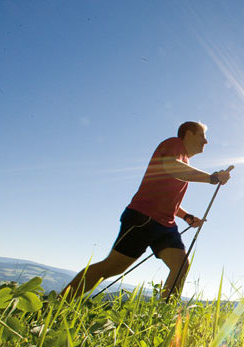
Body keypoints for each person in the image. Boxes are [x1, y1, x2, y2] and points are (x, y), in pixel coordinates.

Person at [61, 121, 232, 300]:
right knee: (113, 267)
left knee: (180, 266)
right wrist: (212, 178)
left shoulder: (185, 162)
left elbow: (167, 196)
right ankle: (58, 303)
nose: (206, 141)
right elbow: (171, 167)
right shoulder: (174, 144)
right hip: (144, 217)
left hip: (165, 223)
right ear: (188, 133)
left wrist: (186, 216)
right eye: (202, 136)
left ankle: (163, 314)